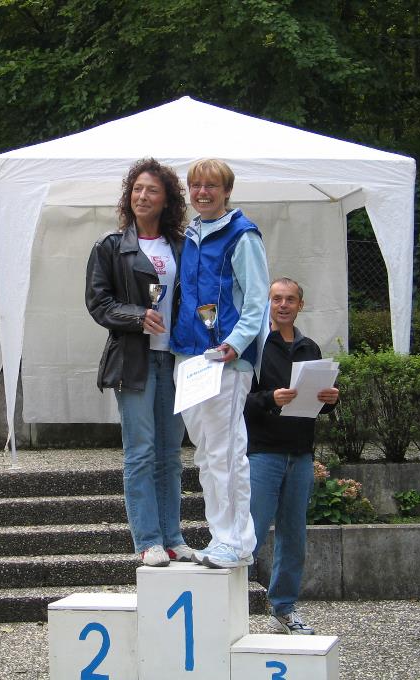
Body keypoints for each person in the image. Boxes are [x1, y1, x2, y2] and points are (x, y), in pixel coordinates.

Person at [85, 158, 194, 567]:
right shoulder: (110, 246)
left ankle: (173, 538)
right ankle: (148, 540)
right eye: (137, 189)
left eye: (152, 190)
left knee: (171, 454)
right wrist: (137, 316)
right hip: (134, 360)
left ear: (167, 200)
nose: (142, 196)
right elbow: (98, 302)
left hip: (175, 359)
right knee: (142, 452)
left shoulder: (182, 245)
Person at [170, 158, 270, 569]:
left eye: (211, 186)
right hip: (190, 359)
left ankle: (238, 541)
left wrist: (235, 343)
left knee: (228, 452)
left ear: (226, 191)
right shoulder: (189, 234)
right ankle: (219, 536)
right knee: (206, 454)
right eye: (196, 185)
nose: (202, 192)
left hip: (226, 361)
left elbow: (257, 300)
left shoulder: (243, 235)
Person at [244, 277, 339, 635]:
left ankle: (283, 609)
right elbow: (238, 400)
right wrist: (270, 399)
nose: (283, 305)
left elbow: (317, 403)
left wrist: (330, 399)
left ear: (301, 305)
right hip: (263, 452)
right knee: (251, 534)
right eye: (276, 299)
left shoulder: (309, 347)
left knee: (293, 536)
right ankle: (228, 606)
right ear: (268, 304)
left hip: (300, 453)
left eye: (290, 299)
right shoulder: (254, 346)